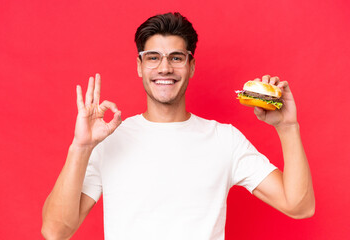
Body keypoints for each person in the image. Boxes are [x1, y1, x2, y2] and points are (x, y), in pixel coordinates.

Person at [41, 12, 315, 240]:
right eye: (153, 57)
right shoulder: (109, 140)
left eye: (176, 57)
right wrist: (81, 147)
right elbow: (55, 231)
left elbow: (299, 206)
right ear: (139, 66)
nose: (164, 68)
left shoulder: (225, 140)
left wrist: (288, 127)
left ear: (191, 65)